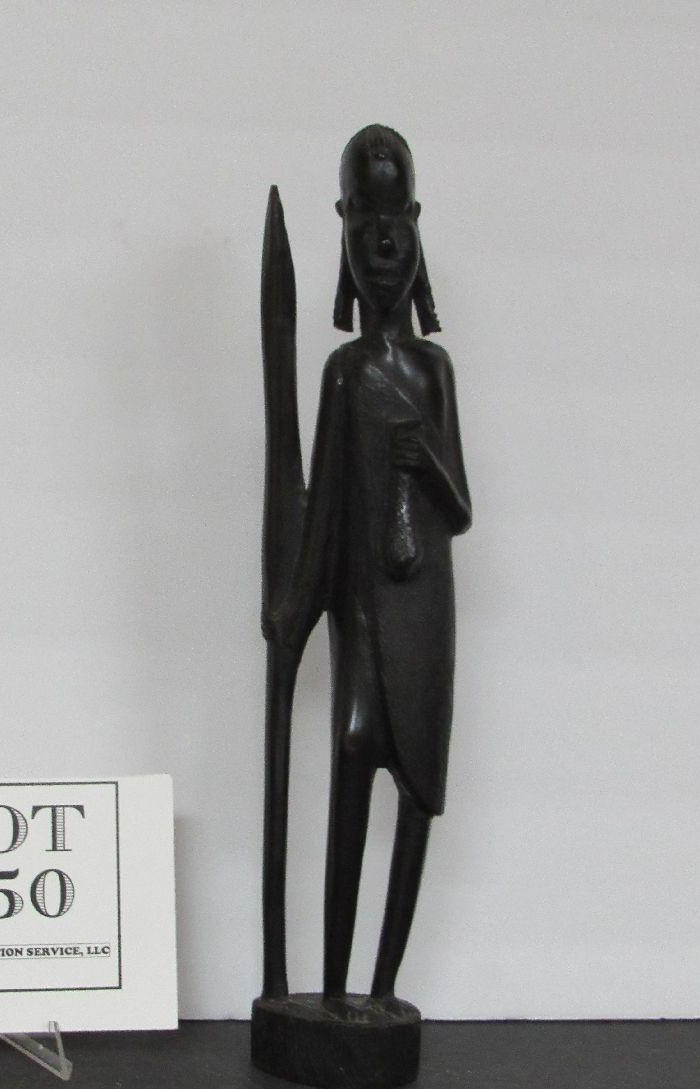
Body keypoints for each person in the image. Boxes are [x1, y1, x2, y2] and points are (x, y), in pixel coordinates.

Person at [271, 125, 472, 1000]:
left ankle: (383, 989)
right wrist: (293, 612)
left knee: (418, 794)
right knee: (352, 747)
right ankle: (326, 990)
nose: (383, 244)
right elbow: (321, 513)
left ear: (416, 226)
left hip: (423, 607)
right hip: (360, 609)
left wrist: (424, 463)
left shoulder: (432, 370)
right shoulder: (344, 373)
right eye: (364, 222)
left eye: (397, 222)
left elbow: (460, 510)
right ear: (344, 230)